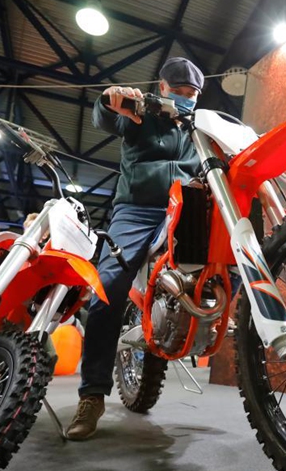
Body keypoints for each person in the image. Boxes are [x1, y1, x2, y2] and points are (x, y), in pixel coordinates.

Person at [66, 57, 203, 440]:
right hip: (138, 209)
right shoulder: (143, 112)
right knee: (107, 286)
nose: (184, 99)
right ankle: (92, 393)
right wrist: (112, 98)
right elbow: (107, 116)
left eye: (192, 94)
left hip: (186, 207)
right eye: (177, 92)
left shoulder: (197, 128)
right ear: (162, 88)